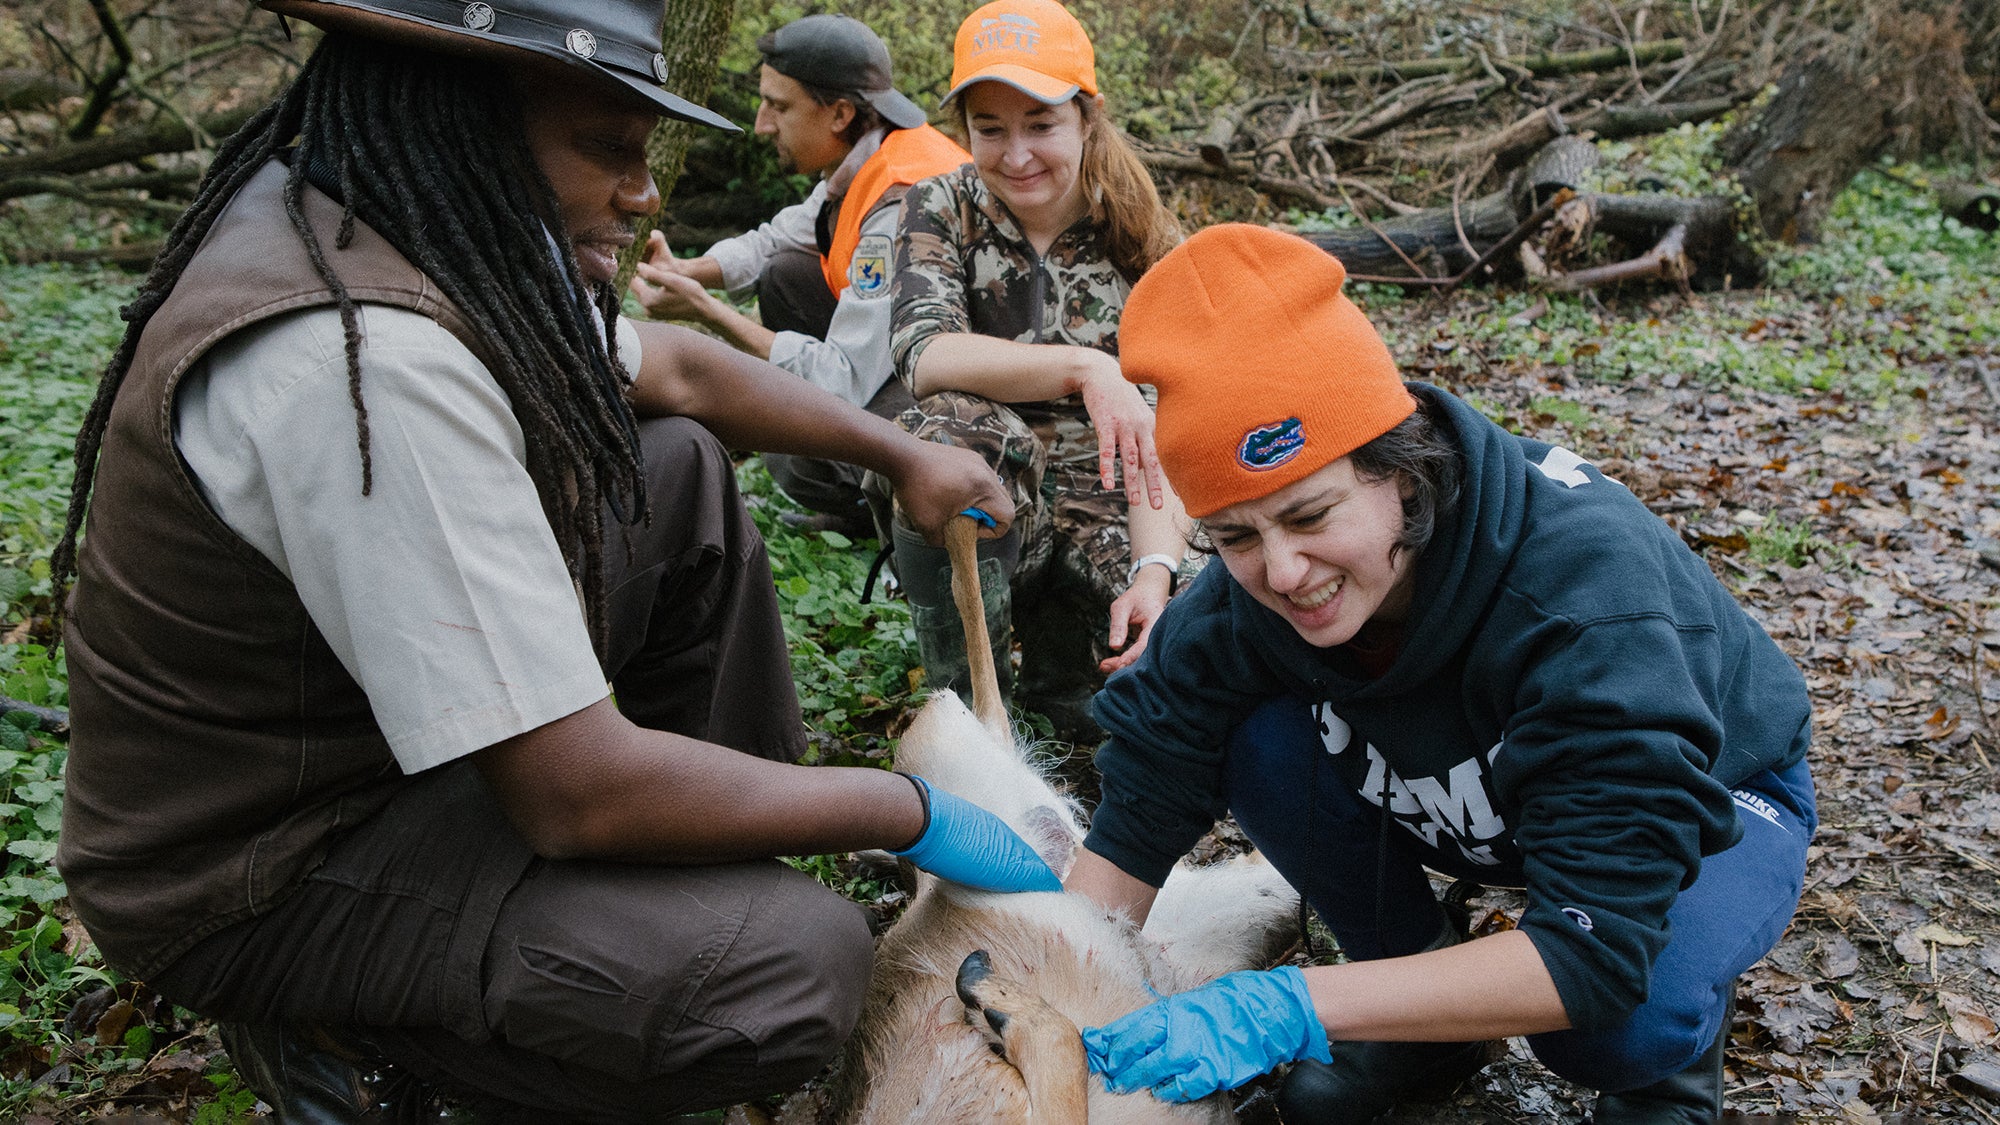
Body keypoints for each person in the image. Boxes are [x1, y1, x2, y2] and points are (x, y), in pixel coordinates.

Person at [49, 2, 1054, 1121]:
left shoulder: (415, 224)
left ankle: (677, 881)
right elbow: (574, 795)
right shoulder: (364, 359)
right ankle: (360, 1052)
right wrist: (908, 810)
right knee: (787, 970)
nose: (643, 192)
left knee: (673, 471)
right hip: (266, 865)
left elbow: (678, 375)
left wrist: (898, 452)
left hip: (373, 747)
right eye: (606, 149)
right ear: (461, 126)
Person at [1066, 225, 1816, 1125]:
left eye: (1311, 514)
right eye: (1235, 536)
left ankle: (1667, 1079)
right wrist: (1058, 974)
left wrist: (1294, 1005)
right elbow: (1146, 790)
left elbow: (1592, 951)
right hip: (1474, 796)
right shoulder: (1248, 593)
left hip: (1715, 799)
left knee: (1620, 1019)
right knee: (1249, 733)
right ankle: (1428, 1026)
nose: (1286, 571)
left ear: (1401, 471)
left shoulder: (1580, 592)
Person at [887, 0, 1187, 732]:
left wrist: (1156, 574)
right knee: (941, 435)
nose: (1016, 155)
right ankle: (965, 717)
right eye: (990, 129)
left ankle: (1066, 668)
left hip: (1112, 505)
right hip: (995, 497)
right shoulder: (942, 205)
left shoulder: (1146, 234)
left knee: (1176, 647)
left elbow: (1171, 420)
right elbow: (925, 354)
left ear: (1088, 117)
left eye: (1041, 125)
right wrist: (1088, 367)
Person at [629, 13, 968, 537]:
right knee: (786, 273)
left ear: (838, 113)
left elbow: (842, 380)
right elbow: (771, 243)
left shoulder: (898, 203)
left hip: (962, 394)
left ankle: (882, 511)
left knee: (791, 450)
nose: (763, 123)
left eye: (779, 106)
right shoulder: (872, 156)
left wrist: (710, 313)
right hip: (908, 361)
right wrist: (685, 270)